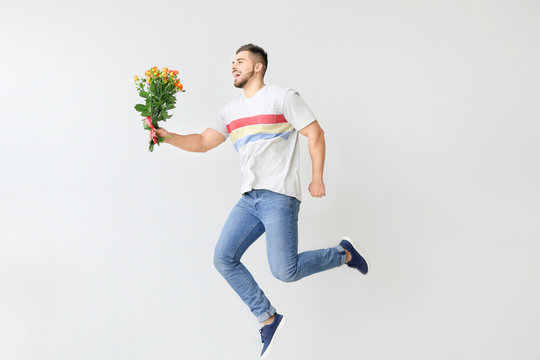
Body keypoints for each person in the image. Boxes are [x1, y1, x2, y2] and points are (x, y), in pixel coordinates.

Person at [154, 43, 368, 359]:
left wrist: (317, 177)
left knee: (285, 271)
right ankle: (267, 317)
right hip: (249, 198)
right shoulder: (230, 111)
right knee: (223, 258)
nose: (233, 66)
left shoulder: (283, 98)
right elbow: (202, 142)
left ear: (258, 67)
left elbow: (315, 133)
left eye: (240, 61)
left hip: (279, 195)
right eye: (232, 62)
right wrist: (166, 135)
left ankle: (343, 254)